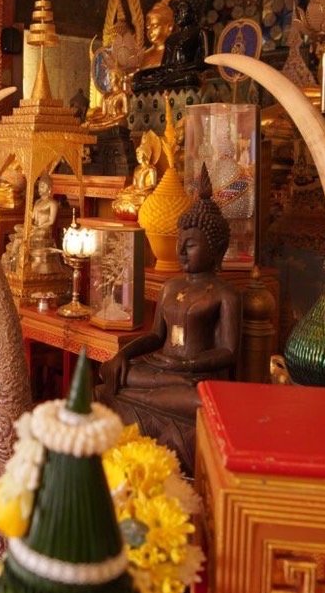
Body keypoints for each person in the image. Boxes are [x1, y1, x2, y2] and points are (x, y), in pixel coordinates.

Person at [97, 165, 240, 472]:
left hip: (194, 377)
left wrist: (188, 364)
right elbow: (155, 335)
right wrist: (124, 354)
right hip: (159, 367)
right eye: (180, 243)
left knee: (200, 402)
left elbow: (229, 351)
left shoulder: (224, 293)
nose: (181, 251)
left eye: (190, 245)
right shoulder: (171, 285)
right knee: (111, 375)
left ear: (214, 248)